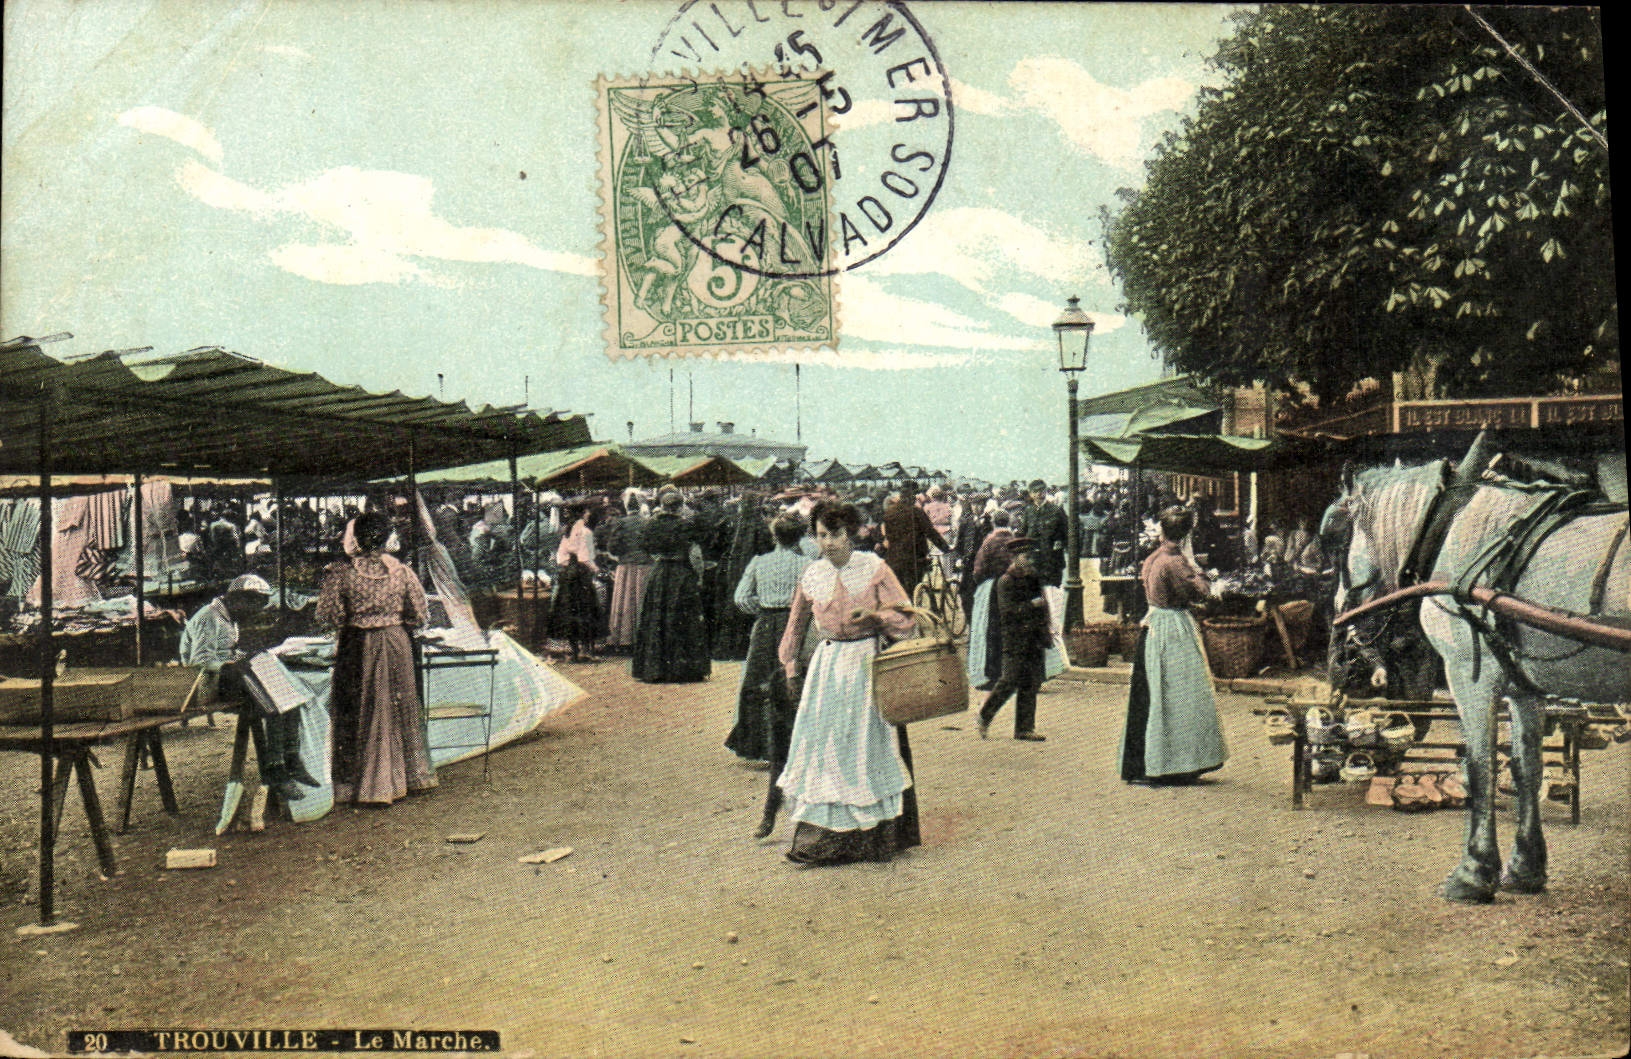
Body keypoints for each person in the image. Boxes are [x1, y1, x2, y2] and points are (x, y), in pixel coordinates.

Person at [775, 501, 920, 865]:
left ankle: (871, 838)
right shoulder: (812, 574)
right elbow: (795, 626)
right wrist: (791, 666)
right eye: (821, 535)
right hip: (828, 665)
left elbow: (905, 618)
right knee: (825, 746)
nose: (828, 543)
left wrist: (873, 615)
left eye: (835, 534)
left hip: (866, 662)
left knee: (863, 747)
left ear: (851, 533)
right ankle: (824, 838)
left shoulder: (873, 568)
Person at [316, 512, 436, 806]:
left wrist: (356, 616)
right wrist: (392, 619)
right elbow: (419, 614)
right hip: (397, 641)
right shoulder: (403, 572)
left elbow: (327, 616)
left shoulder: (342, 574)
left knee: (361, 708)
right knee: (397, 705)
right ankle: (408, 778)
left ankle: (365, 785)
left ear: (355, 539)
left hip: (358, 644)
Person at [180, 573, 318, 798]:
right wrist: (234, 663)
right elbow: (199, 662)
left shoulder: (228, 617)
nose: (249, 614)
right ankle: (276, 771)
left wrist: (245, 656)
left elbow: (227, 651)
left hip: (228, 677)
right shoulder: (209, 617)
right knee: (272, 704)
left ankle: (292, 760)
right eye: (250, 606)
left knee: (289, 698)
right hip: (208, 684)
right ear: (237, 599)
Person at [1119, 507, 1227, 785]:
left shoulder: (1154, 557)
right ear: (1187, 532)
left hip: (1153, 625)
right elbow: (1199, 592)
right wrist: (1205, 576)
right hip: (1173, 627)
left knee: (1153, 693)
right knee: (1181, 695)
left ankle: (1146, 761)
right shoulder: (1176, 561)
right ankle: (1175, 764)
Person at [727, 514, 813, 824]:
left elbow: (740, 598)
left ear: (773, 536)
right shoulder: (805, 565)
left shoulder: (759, 562)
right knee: (792, 682)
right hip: (795, 626)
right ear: (800, 537)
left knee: (757, 683)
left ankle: (756, 743)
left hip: (765, 623)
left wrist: (761, 609)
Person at [631, 490, 711, 683]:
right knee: (683, 618)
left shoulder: (651, 524)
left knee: (656, 618)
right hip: (681, 573)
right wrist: (699, 576)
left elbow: (644, 546)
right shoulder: (686, 525)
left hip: (659, 573)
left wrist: (658, 557)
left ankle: (654, 668)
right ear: (679, 506)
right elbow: (695, 554)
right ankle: (683, 669)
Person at [975, 540, 1050, 741]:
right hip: (1014, 638)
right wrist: (1031, 605)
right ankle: (984, 714)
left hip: (1033, 638)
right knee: (1009, 680)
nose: (1030, 561)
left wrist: (1045, 632)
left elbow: (1043, 606)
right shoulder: (1005, 581)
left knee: (1031, 682)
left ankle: (1024, 728)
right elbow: (1007, 613)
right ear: (1016, 559)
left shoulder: (1033, 578)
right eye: (1026, 557)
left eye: (1031, 557)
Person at [712, 494, 772, 661]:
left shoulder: (731, 522)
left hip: (731, 570)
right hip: (749, 571)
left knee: (731, 607)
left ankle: (727, 649)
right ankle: (742, 648)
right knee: (746, 608)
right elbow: (766, 549)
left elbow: (717, 544)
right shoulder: (759, 525)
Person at [964, 509, 1014, 691]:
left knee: (990, 631)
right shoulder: (1015, 540)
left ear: (993, 523)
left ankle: (992, 675)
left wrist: (980, 582)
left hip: (993, 588)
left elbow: (979, 568)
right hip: (1012, 587)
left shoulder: (989, 541)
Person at [546, 504, 602, 662]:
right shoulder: (586, 532)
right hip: (582, 575)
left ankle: (574, 650)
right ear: (583, 514)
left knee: (570, 612)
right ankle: (587, 651)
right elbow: (585, 558)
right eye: (587, 512)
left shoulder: (567, 533)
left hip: (568, 576)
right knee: (586, 611)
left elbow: (560, 558)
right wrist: (597, 569)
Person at [880, 479, 948, 595]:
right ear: (912, 495)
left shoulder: (889, 512)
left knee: (898, 592)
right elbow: (930, 532)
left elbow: (887, 535)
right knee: (913, 591)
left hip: (894, 559)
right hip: (915, 559)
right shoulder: (916, 512)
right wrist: (945, 548)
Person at [603, 500, 651, 652]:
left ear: (627, 508)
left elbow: (613, 547)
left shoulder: (621, 523)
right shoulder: (647, 522)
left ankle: (623, 640)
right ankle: (641, 637)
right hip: (645, 565)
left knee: (624, 603)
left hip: (625, 565)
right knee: (641, 601)